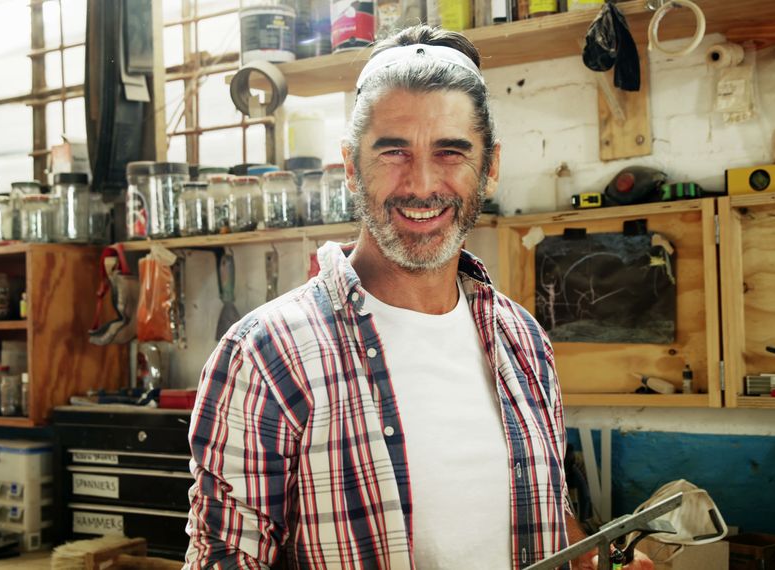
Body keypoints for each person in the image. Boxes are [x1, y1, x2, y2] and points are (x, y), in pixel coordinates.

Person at [185, 24, 652, 570]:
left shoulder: (523, 341)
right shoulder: (267, 356)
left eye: (451, 151)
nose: (422, 184)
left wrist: (595, 561)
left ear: (491, 165)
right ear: (351, 169)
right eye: (394, 152)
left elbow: (546, 516)